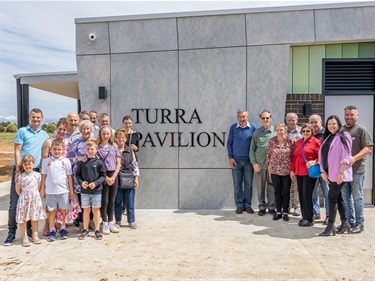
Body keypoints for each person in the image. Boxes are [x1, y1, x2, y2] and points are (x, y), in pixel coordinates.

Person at [4, 108, 49, 246]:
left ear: (42, 118)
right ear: (30, 117)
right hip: (21, 169)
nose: (36, 120)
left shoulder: (44, 134)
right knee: (15, 202)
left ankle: (30, 231)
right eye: (33, 117)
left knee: (32, 201)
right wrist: (19, 168)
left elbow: (45, 153)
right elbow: (17, 150)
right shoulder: (22, 131)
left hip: (34, 170)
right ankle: (11, 232)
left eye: (38, 117)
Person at [318, 115, 353, 236]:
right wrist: (323, 171)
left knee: (331, 197)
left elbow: (346, 157)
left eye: (334, 124)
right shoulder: (328, 137)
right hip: (329, 173)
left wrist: (341, 173)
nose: (331, 126)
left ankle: (330, 225)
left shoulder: (344, 135)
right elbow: (322, 155)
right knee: (338, 197)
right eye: (329, 124)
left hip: (339, 173)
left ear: (338, 124)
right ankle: (345, 223)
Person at [341, 105, 373, 234]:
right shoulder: (341, 130)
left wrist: (354, 158)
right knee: (345, 197)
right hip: (343, 171)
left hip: (357, 170)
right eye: (347, 115)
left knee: (357, 197)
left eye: (352, 115)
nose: (349, 117)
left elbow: (367, 148)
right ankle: (350, 221)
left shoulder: (361, 130)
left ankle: (360, 223)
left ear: (357, 116)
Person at [41, 139, 75, 241]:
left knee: (63, 211)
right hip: (50, 192)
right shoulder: (47, 161)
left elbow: (69, 177)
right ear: (51, 149)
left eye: (59, 149)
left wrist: (71, 191)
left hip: (63, 191)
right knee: (52, 212)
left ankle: (63, 228)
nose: (57, 151)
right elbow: (43, 176)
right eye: (55, 149)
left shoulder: (66, 161)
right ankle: (52, 230)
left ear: (63, 150)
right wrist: (42, 189)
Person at [290, 124, 321, 227]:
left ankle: (309, 219)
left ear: (312, 132)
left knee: (307, 196)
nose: (305, 133)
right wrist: (292, 170)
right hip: (299, 172)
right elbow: (294, 157)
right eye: (304, 131)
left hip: (309, 174)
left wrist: (314, 161)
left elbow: (322, 157)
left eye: (308, 131)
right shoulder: (299, 142)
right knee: (302, 196)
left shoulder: (316, 142)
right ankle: (304, 217)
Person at [226, 110, 257, 214]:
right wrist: (230, 157)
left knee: (248, 184)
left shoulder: (252, 127)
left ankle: (247, 205)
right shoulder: (233, 128)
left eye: (243, 116)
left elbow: (256, 144)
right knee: (237, 184)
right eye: (239, 116)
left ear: (247, 117)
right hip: (236, 161)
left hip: (249, 161)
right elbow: (229, 143)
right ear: (237, 117)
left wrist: (254, 160)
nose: (241, 118)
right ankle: (239, 205)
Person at [75, 139, 106, 240]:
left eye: (92, 149)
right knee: (86, 210)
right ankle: (85, 229)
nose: (90, 151)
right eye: (88, 149)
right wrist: (81, 183)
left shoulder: (99, 162)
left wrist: (96, 183)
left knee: (96, 210)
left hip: (96, 191)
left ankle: (97, 229)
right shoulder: (82, 162)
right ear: (85, 150)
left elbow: (103, 176)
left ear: (96, 149)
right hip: (84, 191)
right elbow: (77, 175)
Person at [67, 120, 95, 230]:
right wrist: (77, 159)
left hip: (93, 175)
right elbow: (68, 159)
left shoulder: (95, 142)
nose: (86, 131)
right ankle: (83, 222)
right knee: (81, 199)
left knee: (93, 198)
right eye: (84, 129)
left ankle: (92, 221)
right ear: (80, 130)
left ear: (91, 130)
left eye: (88, 129)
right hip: (79, 175)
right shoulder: (76, 143)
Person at [15, 155, 47, 247]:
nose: (28, 166)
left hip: (34, 199)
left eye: (29, 164)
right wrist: (24, 196)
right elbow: (18, 189)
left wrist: (34, 195)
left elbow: (39, 186)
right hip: (24, 199)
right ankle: (24, 237)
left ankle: (35, 235)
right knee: (23, 219)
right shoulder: (21, 176)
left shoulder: (37, 175)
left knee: (34, 217)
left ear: (33, 164)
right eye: (25, 164)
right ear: (23, 165)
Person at [266, 123, 295, 221]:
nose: (279, 132)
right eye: (277, 130)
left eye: (281, 130)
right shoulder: (272, 141)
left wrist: (293, 170)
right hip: (274, 170)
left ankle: (285, 212)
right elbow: (268, 156)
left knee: (286, 192)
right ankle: (278, 211)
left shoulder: (291, 141)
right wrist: (269, 170)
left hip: (287, 170)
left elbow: (294, 157)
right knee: (277, 191)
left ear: (285, 130)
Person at [250, 109, 276, 216]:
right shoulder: (256, 132)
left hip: (272, 167)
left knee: (271, 188)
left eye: (267, 117)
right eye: (263, 118)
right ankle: (261, 207)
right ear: (261, 119)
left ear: (271, 118)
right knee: (260, 188)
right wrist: (254, 164)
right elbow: (251, 150)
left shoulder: (276, 131)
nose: (265, 120)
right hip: (259, 166)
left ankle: (271, 207)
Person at [96, 125, 121, 234]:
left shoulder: (114, 148)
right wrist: (106, 178)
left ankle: (111, 221)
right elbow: (97, 165)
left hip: (113, 175)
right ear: (100, 134)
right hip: (102, 175)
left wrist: (113, 177)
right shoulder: (97, 148)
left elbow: (118, 163)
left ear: (110, 135)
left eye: (107, 134)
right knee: (104, 200)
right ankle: (104, 222)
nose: (105, 136)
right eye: (103, 133)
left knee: (112, 200)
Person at [114, 129, 140, 229]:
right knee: (118, 201)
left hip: (128, 177)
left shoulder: (130, 150)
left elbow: (135, 165)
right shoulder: (113, 149)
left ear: (125, 139)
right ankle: (118, 220)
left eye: (123, 137)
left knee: (130, 200)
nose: (121, 139)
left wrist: (136, 178)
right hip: (117, 178)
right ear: (115, 138)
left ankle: (131, 221)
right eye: (119, 137)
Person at [309, 114, 330, 225]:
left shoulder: (327, 134)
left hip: (326, 169)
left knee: (327, 192)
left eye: (315, 122)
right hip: (314, 169)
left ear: (321, 121)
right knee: (313, 192)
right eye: (311, 122)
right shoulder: (310, 135)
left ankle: (328, 215)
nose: (313, 125)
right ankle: (315, 212)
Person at [285, 112, 302, 217]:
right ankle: (286, 206)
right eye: (289, 120)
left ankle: (297, 207)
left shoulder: (301, 131)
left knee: (296, 187)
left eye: (293, 120)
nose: (291, 122)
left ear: (297, 120)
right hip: (284, 163)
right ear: (286, 121)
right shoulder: (282, 131)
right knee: (286, 187)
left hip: (297, 163)